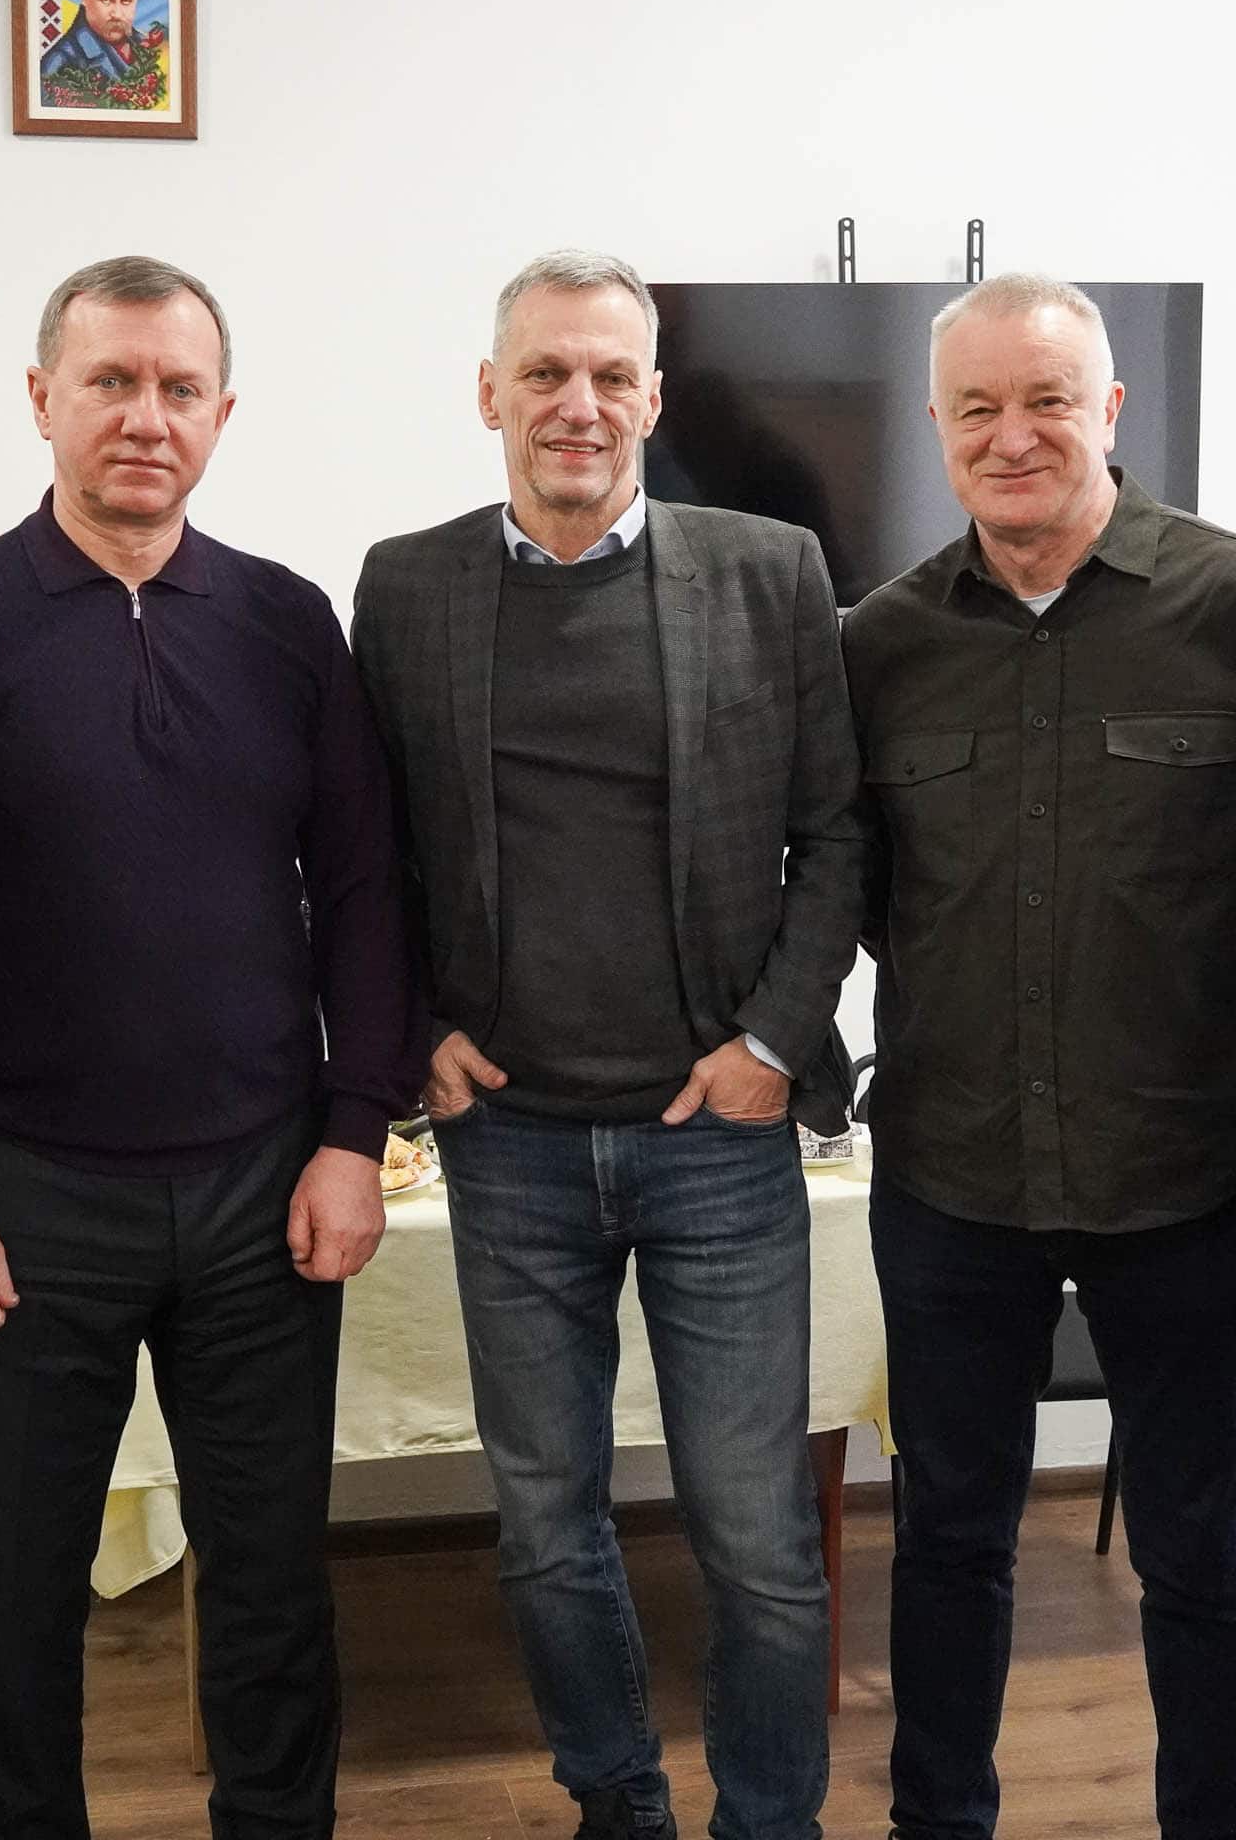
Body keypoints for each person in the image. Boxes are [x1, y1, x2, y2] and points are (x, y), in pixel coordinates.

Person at [0, 254, 420, 1840]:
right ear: (44, 400)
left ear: (222, 413)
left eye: (178, 387)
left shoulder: (288, 627)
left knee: (273, 1582)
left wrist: (353, 1133)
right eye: (110, 382)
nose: (146, 417)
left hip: (263, 1194)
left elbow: (367, 892)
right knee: (19, 1595)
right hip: (20, 1206)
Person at [351, 249, 866, 1840]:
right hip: (506, 1145)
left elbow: (838, 833)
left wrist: (776, 1037)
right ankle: (616, 1804)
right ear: (489, 394)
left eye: (609, 375)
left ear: (653, 397)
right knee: (544, 1526)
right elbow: (368, 850)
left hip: (717, 1138)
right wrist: (414, 1028)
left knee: (758, 1535)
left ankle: (767, 1819)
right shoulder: (407, 586)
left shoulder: (770, 570)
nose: (577, 404)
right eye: (545, 372)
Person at [844, 275, 1236, 1840]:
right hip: (952, 1178)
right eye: (977, 408)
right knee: (947, 1544)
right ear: (937, 425)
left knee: (1199, 1555)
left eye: (1047, 400)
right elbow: (860, 895)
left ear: (1110, 409)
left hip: (1185, 1179)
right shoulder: (881, 641)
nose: (1013, 436)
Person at [37, 0, 154, 87]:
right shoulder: (59, 65)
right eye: (106, 0)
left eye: (126, 1)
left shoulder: (151, 49)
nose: (117, 14)